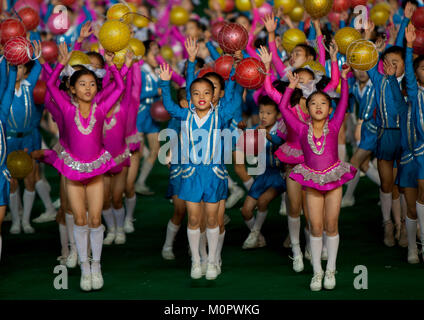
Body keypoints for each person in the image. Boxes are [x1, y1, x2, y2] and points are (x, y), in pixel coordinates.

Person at [263, 43, 354, 290]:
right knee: (314, 226)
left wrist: (343, 77)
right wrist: (290, 86)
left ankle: (331, 270)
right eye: (313, 104)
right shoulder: (301, 127)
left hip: (333, 177)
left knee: (331, 224)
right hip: (310, 177)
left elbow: (343, 99)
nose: (317, 107)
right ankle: (317, 272)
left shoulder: (334, 125)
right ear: (309, 107)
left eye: (323, 104)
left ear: (329, 109)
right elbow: (282, 107)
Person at [35, 42, 125, 291]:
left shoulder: (102, 107)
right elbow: (52, 86)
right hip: (73, 170)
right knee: (80, 218)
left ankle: (96, 266)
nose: (88, 88)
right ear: (72, 89)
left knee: (96, 218)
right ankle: (85, 269)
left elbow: (120, 87)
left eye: (92, 84)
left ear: (97, 88)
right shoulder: (65, 107)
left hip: (96, 168)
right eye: (82, 84)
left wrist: (111, 65)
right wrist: (60, 65)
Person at [159, 63, 236, 280]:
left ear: (214, 96)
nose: (201, 96)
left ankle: (212, 261)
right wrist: (166, 83)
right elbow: (168, 105)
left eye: (206, 93)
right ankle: (196, 261)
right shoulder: (185, 116)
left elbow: (234, 100)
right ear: (190, 97)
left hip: (213, 175)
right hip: (190, 174)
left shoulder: (221, 116)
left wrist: (234, 77)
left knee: (212, 220)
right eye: (196, 93)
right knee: (193, 219)